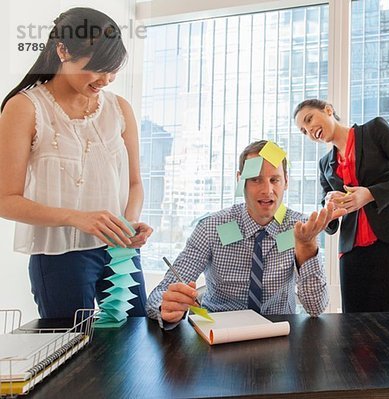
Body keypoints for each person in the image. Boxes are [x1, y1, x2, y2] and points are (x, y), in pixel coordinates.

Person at [0, 8, 153, 319]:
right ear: (62, 50)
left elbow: (135, 184)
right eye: (98, 68)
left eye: (113, 70)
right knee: (71, 352)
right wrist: (76, 217)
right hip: (59, 256)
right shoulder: (25, 108)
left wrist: (128, 224)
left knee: (136, 341)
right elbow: (5, 200)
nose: (106, 80)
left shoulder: (119, 109)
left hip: (120, 251)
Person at [147, 140, 346, 329]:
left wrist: (307, 246)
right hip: (218, 332)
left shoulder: (301, 228)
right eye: (255, 179)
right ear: (240, 180)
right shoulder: (212, 227)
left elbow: (316, 308)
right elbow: (158, 296)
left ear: (286, 182)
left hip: (278, 332)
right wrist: (167, 307)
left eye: (274, 179)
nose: (267, 190)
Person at [294, 100, 389, 313]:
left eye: (309, 120)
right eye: (303, 131)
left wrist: (371, 194)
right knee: (354, 327)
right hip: (352, 251)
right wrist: (329, 206)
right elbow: (331, 226)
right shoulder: (325, 164)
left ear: (328, 109)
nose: (309, 131)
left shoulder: (374, 130)